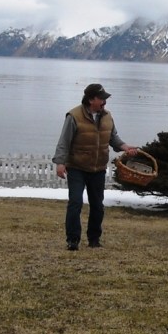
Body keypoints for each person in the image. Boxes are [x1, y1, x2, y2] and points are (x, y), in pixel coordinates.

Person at [53, 83, 138, 250]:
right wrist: (60, 163)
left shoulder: (108, 116)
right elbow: (64, 141)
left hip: (98, 169)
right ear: (91, 99)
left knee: (98, 206)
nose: (104, 102)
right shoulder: (73, 116)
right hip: (77, 167)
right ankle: (73, 240)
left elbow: (113, 138)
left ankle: (94, 239)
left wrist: (125, 147)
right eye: (102, 99)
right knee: (75, 203)